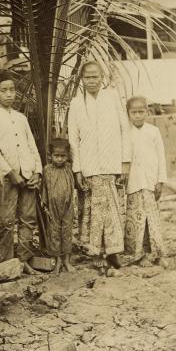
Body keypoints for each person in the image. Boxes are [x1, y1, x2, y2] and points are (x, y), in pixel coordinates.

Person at [67, 61, 132, 277]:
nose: (92, 81)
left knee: (112, 210)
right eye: (87, 78)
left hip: (111, 164)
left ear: (102, 78)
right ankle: (96, 253)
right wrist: (78, 169)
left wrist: (124, 162)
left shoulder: (112, 97)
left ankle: (112, 252)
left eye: (95, 77)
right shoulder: (76, 103)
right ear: (81, 80)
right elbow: (73, 139)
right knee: (93, 212)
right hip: (89, 166)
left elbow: (124, 129)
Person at [0, 71, 43, 275]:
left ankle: (24, 259)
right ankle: (6, 262)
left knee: (27, 218)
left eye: (12, 90)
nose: (9, 94)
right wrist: (10, 173)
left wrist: (37, 171)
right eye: (3, 90)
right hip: (8, 178)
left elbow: (31, 145)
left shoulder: (21, 118)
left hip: (27, 174)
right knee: (7, 221)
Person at [124, 96, 167, 266]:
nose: (137, 115)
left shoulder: (153, 131)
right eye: (133, 112)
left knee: (152, 218)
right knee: (137, 220)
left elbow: (161, 157)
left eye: (141, 112)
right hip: (134, 182)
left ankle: (157, 252)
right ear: (128, 113)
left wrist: (160, 180)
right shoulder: (126, 132)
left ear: (147, 112)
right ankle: (139, 254)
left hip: (150, 181)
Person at [41, 138, 76, 274]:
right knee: (54, 233)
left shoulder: (69, 169)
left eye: (63, 156)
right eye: (57, 156)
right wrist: (45, 204)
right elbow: (44, 188)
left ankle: (66, 260)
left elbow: (72, 187)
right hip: (52, 207)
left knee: (67, 232)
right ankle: (58, 261)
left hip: (67, 206)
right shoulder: (47, 170)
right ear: (50, 156)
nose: (60, 159)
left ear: (67, 156)